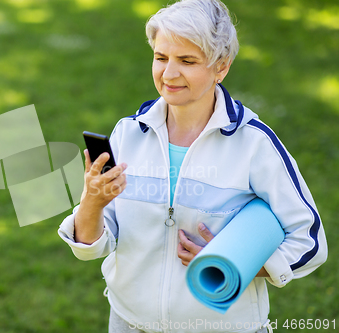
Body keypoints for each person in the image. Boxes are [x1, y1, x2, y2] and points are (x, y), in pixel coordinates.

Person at [58, 0, 327, 332]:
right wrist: (93, 202)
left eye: (187, 60)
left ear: (221, 67)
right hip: (129, 323)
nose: (169, 73)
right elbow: (91, 247)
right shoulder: (128, 134)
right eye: (161, 57)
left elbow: (310, 241)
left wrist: (229, 261)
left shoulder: (254, 145)